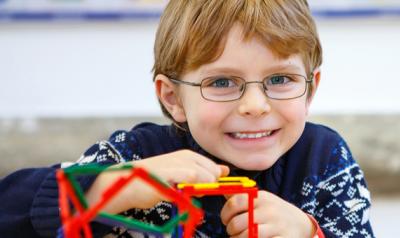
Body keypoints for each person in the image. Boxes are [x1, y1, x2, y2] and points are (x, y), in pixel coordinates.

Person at [0, 0, 374, 237]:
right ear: (173, 97)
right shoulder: (136, 157)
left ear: (310, 89)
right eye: (223, 82)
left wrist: (309, 233)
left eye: (280, 79)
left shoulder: (324, 158)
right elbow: (10, 210)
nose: (256, 105)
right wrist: (115, 188)